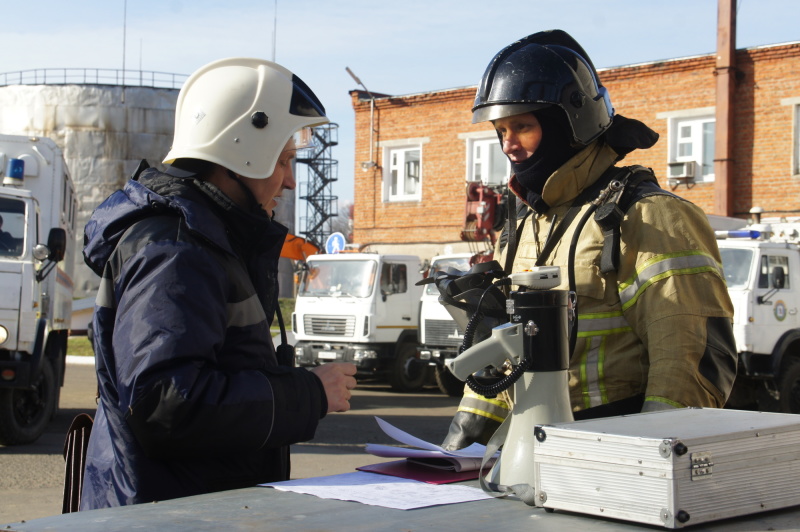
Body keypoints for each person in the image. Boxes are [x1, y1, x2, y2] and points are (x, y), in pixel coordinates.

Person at [81, 58, 357, 509]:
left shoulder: (206, 241)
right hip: (163, 515)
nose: (289, 181)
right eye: (284, 161)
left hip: (189, 507)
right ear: (239, 152)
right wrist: (309, 394)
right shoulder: (175, 250)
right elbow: (166, 405)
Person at [442, 30, 738, 450]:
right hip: (533, 446)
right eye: (501, 129)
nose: (509, 144)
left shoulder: (649, 214)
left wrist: (651, 457)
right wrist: (463, 442)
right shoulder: (523, 223)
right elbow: (505, 356)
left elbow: (688, 354)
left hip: (614, 443)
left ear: (570, 121)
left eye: (523, 127)